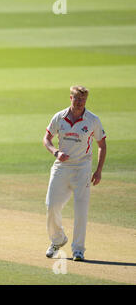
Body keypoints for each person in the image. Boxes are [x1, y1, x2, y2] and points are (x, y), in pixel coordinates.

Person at [43, 85, 107, 261]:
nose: (80, 103)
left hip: (82, 169)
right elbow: (46, 138)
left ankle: (78, 250)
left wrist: (99, 170)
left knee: (81, 210)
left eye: (83, 100)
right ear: (70, 98)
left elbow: (101, 144)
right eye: (77, 99)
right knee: (51, 205)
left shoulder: (92, 120)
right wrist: (56, 152)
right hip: (61, 167)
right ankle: (58, 240)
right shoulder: (60, 117)